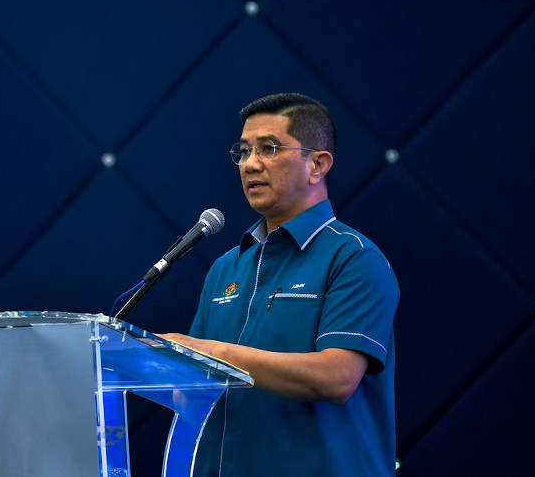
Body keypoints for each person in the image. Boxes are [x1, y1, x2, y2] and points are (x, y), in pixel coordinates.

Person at [159, 92, 399, 476]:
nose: (250, 164)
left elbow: (338, 378)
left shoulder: (354, 258)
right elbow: (193, 388)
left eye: (269, 149)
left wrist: (216, 353)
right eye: (243, 151)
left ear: (317, 165)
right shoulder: (225, 268)